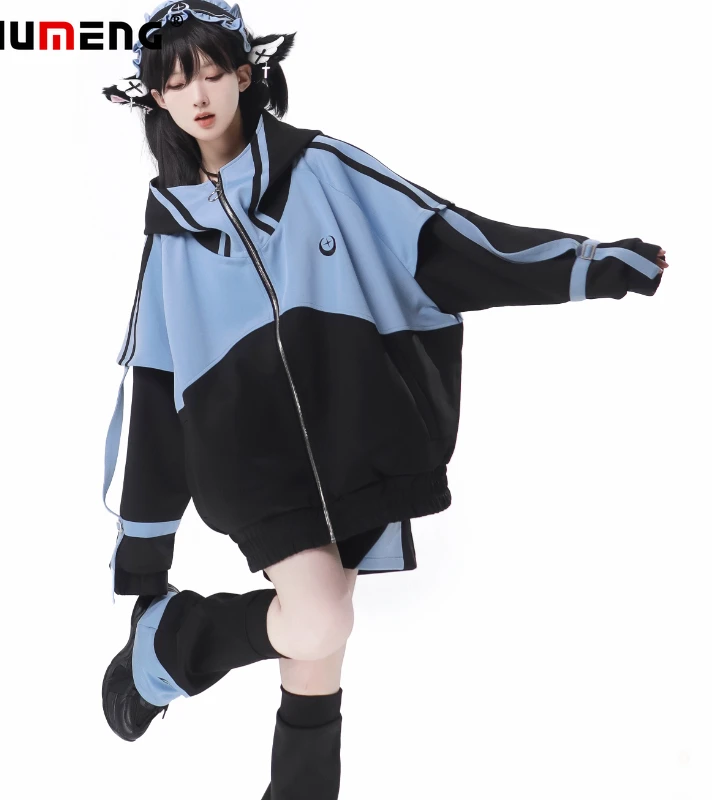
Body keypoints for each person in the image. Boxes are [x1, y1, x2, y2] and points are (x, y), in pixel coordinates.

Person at [98, 3, 669, 798]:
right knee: (319, 616)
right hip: (250, 467)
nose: (197, 93)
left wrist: (590, 266)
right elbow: (154, 394)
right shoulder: (171, 233)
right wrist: (144, 556)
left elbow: (446, 240)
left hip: (352, 439)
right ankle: (168, 649)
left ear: (246, 74)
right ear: (156, 97)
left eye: (212, 70)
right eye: (175, 79)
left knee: (319, 641)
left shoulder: (322, 169)